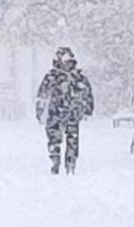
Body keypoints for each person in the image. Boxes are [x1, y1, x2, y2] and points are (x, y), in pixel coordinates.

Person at [36, 47, 94, 175]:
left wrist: (87, 108)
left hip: (72, 113)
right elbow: (42, 96)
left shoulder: (77, 77)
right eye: (66, 61)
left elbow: (87, 93)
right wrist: (40, 112)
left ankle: (71, 164)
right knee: (54, 139)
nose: (68, 65)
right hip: (55, 113)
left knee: (72, 139)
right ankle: (55, 162)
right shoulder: (52, 77)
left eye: (70, 62)